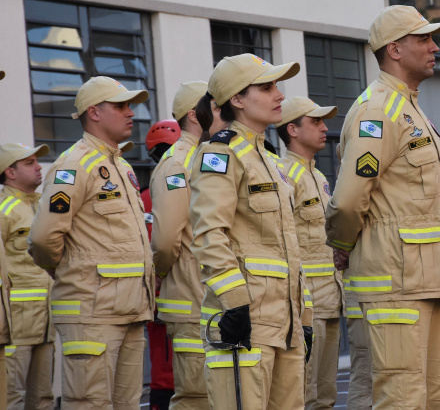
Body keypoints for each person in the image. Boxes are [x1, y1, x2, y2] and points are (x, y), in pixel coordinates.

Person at [325, 5, 440, 408]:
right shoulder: (377, 110)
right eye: (423, 39)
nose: (434, 46)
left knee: (435, 394)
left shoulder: (408, 107)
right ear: (395, 50)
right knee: (403, 396)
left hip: (425, 276)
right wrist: (344, 246)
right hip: (396, 277)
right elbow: (349, 199)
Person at [189, 54, 307, 410]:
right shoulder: (220, 154)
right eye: (267, 87)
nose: (279, 95)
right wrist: (235, 305)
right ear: (238, 100)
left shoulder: (269, 161)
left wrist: (306, 317)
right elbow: (210, 235)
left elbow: (287, 249)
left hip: (285, 325)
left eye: (277, 86)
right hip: (246, 321)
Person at [29, 76, 156, 408]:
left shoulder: (120, 167)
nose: (130, 113)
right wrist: (72, 271)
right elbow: (43, 238)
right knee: (90, 404)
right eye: (120, 106)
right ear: (94, 112)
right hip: (91, 313)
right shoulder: (74, 165)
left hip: (128, 310)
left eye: (130, 106)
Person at [278, 96, 344, 410]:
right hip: (305, 304)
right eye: (315, 122)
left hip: (328, 299)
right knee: (303, 393)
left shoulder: (317, 176)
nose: (325, 129)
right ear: (292, 129)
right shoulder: (284, 175)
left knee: (326, 395)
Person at [149, 81, 209, 410]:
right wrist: (160, 272)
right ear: (194, 114)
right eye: (215, 106)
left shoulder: (207, 155)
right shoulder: (177, 163)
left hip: (208, 299)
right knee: (195, 398)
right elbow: (166, 238)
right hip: (190, 299)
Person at [0, 143, 53, 409]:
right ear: (9, 171)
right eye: (30, 162)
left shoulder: (44, 206)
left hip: (46, 322)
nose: (39, 167)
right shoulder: (4, 211)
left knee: (43, 397)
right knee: (10, 396)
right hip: (15, 325)